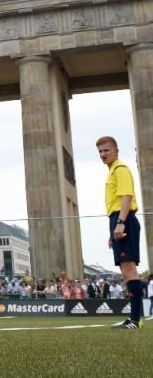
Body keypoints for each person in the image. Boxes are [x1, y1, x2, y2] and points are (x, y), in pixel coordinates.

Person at [97, 135, 144, 329]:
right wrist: (114, 227)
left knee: (129, 270)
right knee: (126, 271)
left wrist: (121, 222)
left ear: (116, 151)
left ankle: (135, 320)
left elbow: (127, 196)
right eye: (100, 151)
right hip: (117, 219)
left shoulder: (120, 168)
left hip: (123, 219)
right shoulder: (112, 171)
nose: (103, 154)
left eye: (106, 150)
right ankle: (134, 318)